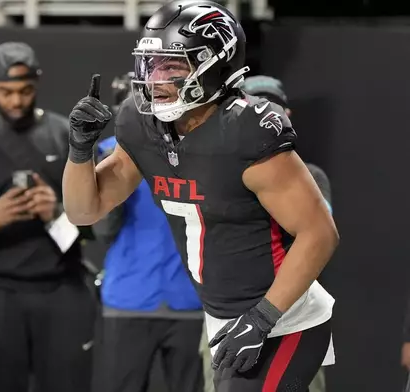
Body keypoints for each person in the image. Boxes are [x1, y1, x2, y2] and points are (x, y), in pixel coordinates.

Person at [62, 1, 339, 391]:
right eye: (151, 64)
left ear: (216, 65)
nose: (155, 78)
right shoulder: (140, 124)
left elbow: (320, 234)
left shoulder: (246, 132)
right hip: (223, 315)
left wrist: (262, 317)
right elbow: (83, 211)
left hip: (285, 316)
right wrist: (80, 151)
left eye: (171, 66)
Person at [0, 41, 95, 392]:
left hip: (61, 292)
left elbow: (93, 229)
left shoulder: (66, 140)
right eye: (5, 91)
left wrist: (55, 214)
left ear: (37, 83)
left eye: (25, 90)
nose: (16, 101)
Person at [199, 74, 334, 392]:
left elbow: (315, 235)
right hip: (229, 314)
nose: (265, 113)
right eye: (256, 104)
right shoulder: (212, 175)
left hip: (292, 313)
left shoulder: (310, 176)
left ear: (286, 115)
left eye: (274, 107)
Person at [90, 73, 204, 392]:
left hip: (187, 299)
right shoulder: (108, 155)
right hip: (131, 299)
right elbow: (102, 229)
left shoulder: (197, 151)